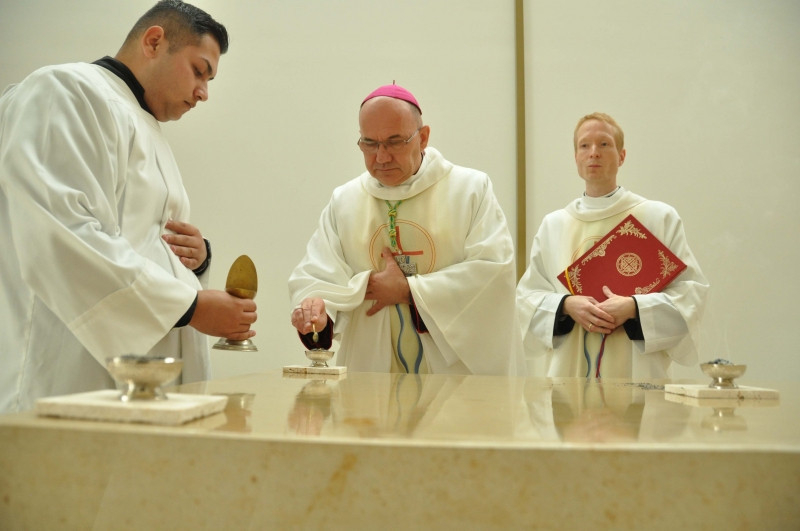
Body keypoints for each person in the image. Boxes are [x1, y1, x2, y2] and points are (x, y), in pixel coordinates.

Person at [0, 0, 257, 413]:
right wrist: (189, 307)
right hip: (67, 369)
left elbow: (141, 240)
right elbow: (62, 233)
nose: (204, 93)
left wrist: (196, 260)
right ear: (154, 41)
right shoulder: (65, 91)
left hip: (144, 376)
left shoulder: (144, 124)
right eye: (199, 71)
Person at [289, 84, 525, 376]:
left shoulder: (469, 190)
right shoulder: (345, 202)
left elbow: (492, 275)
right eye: (369, 143)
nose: (381, 157)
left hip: (454, 384)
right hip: (371, 380)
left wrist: (409, 291)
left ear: (423, 138)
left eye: (395, 142)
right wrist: (317, 312)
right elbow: (317, 277)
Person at [516, 112, 709, 379]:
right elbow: (526, 299)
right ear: (576, 157)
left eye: (604, 144)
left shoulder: (657, 217)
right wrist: (566, 305)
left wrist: (634, 307)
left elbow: (690, 295)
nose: (593, 152)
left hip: (638, 375)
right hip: (568, 375)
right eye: (584, 145)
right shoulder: (554, 226)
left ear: (622, 156)